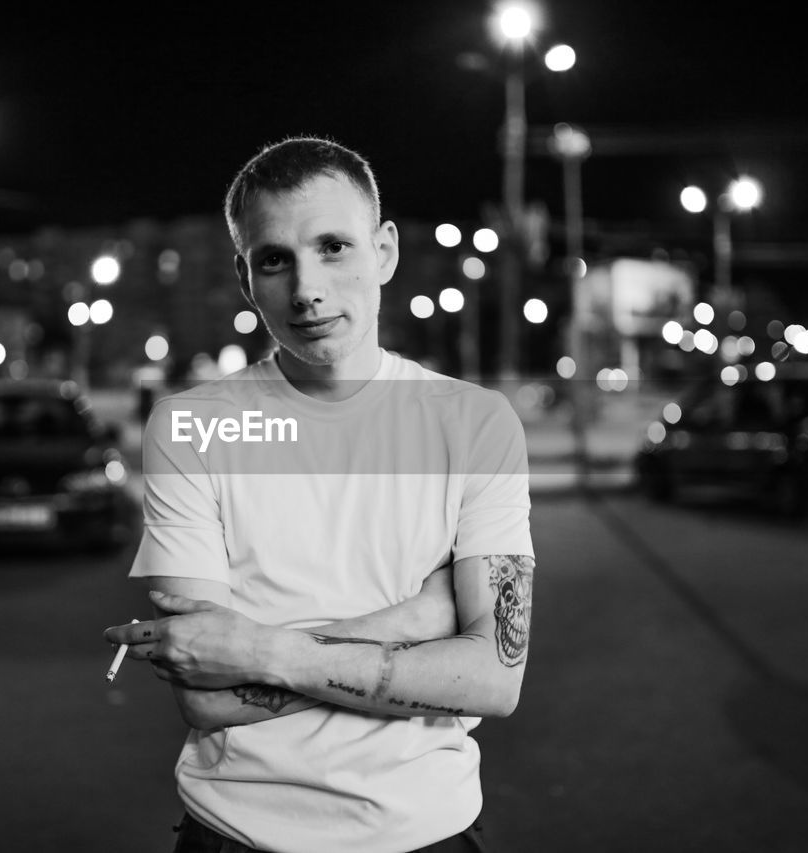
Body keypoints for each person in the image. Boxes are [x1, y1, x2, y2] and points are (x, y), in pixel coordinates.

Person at [105, 136, 534, 853]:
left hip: (425, 833)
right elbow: (206, 695)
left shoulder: (475, 422)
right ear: (246, 279)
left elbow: (494, 677)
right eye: (274, 259)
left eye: (333, 246)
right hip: (236, 835)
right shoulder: (191, 427)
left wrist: (264, 650)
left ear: (385, 251)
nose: (306, 288)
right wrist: (422, 617)